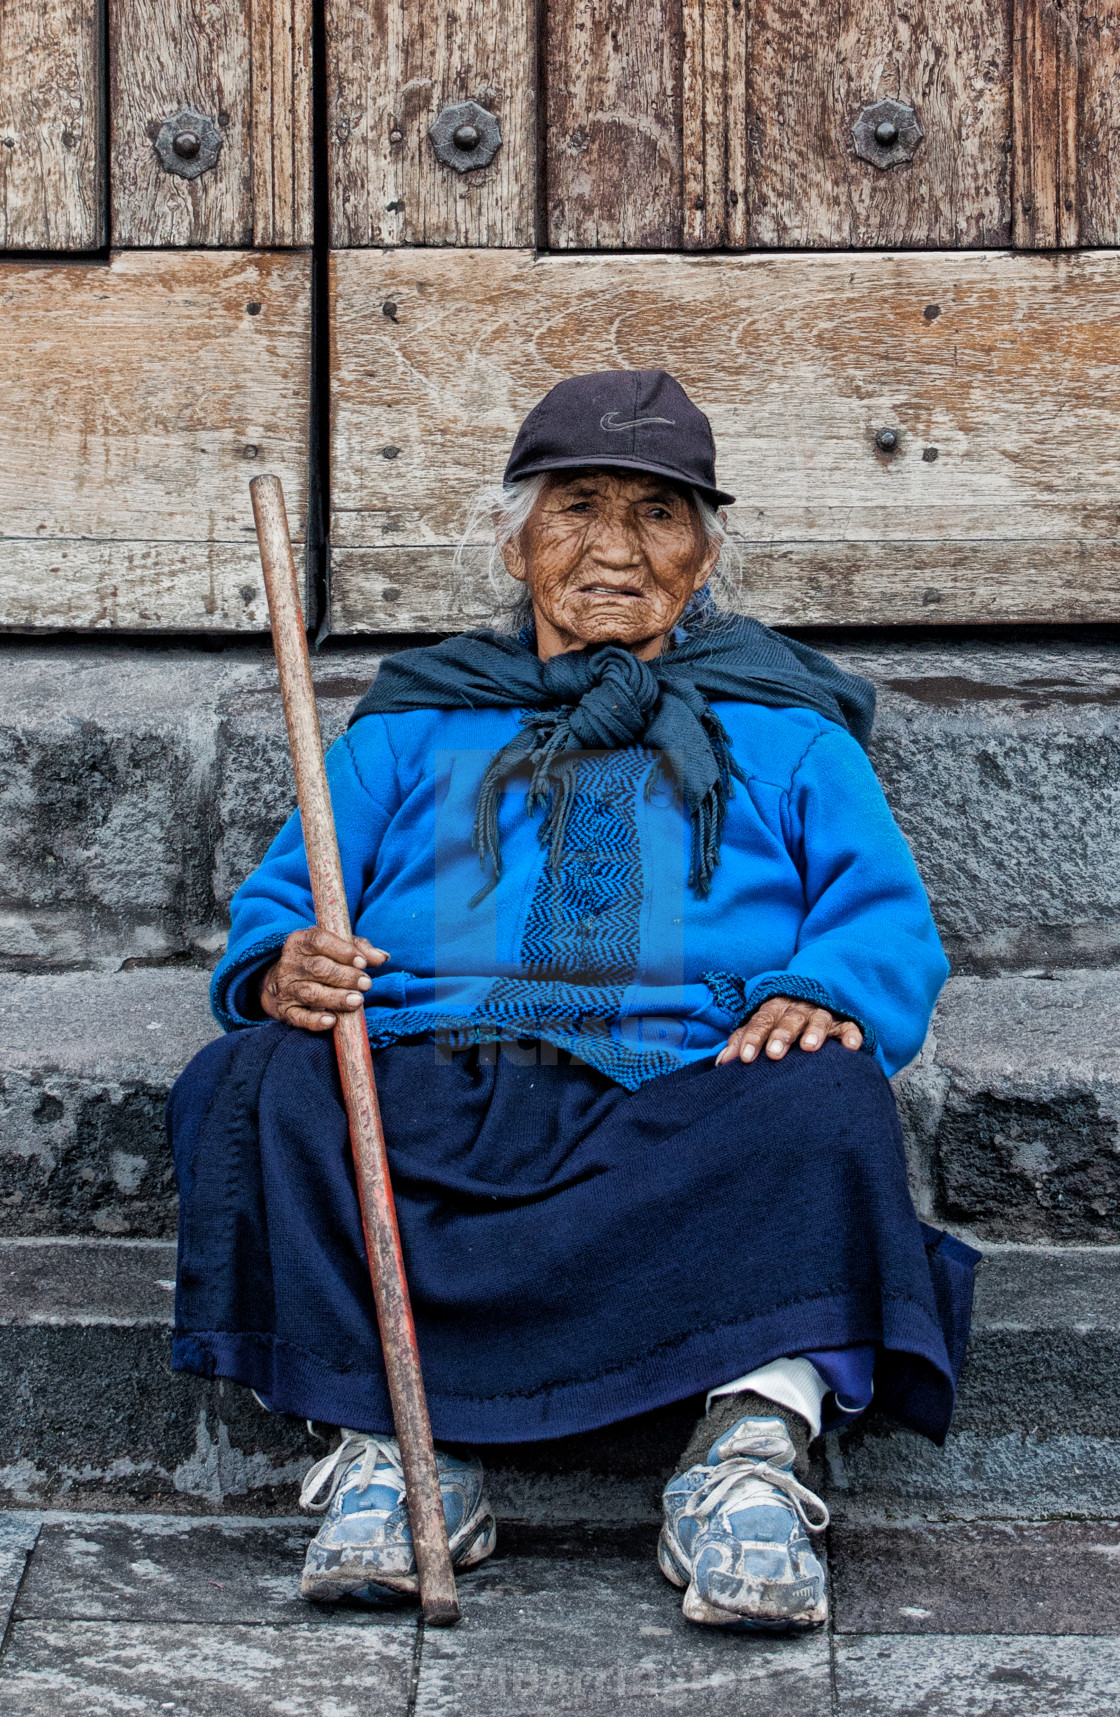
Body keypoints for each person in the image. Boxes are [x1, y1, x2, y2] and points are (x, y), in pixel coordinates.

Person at [168, 368, 979, 1634]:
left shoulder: (788, 731)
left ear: (706, 556)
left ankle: (749, 1449)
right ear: (515, 541)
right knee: (253, 1081)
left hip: (681, 1096)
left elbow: (881, 921)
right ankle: (391, 1447)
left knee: (828, 1099)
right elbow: (287, 897)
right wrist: (284, 966)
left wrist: (826, 987)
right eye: (578, 507)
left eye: (659, 514)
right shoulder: (409, 727)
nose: (614, 547)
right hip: (439, 1080)